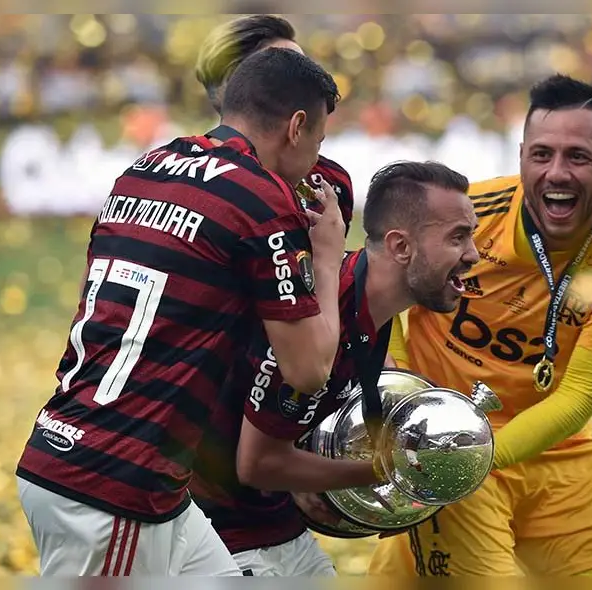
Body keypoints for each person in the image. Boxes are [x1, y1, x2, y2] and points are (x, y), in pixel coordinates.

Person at [15, 48, 346, 576]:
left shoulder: (143, 168)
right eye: (318, 143)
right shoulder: (260, 198)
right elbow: (307, 370)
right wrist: (327, 258)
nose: (315, 162)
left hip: (99, 459)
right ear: (297, 126)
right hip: (116, 483)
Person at [369, 74, 592, 577]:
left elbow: (575, 399)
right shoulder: (468, 217)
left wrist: (478, 455)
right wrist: (403, 395)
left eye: (577, 156)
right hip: (445, 449)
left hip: (560, 459)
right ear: (521, 157)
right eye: (541, 155)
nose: (557, 173)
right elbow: (375, 288)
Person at [189, 161, 480, 576]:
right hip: (217, 530)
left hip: (266, 520)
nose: (473, 254)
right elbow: (257, 465)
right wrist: (390, 473)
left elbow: (373, 378)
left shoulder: (362, 296)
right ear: (401, 247)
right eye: (458, 237)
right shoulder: (321, 315)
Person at [195, 14, 355, 234]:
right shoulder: (187, 179)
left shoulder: (331, 183)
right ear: (240, 85)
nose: (308, 80)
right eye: (284, 65)